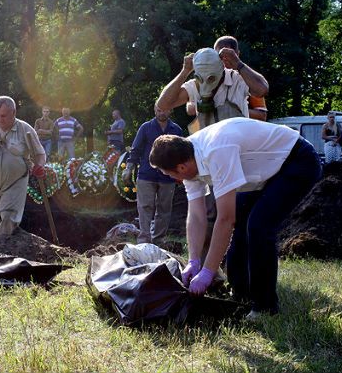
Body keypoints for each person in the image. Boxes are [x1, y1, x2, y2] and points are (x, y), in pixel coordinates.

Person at [149, 118, 322, 320]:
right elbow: (196, 216)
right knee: (242, 223)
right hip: (263, 173)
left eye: (168, 174)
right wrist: (194, 260)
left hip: (297, 161)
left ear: (181, 168)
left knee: (259, 226)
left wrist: (207, 272)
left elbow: (225, 219)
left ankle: (265, 307)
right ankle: (240, 294)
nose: (171, 179)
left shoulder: (216, 151)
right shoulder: (187, 158)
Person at [0, 96, 46, 238]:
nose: (0, 120)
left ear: (14, 113)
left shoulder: (25, 129)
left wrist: (40, 166)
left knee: (8, 215)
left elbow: (40, 154)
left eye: (4, 116)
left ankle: (5, 242)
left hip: (15, 180)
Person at [155, 46, 269, 131]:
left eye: (211, 79)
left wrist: (238, 64)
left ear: (222, 65)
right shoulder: (195, 85)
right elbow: (163, 105)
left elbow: (262, 90)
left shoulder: (239, 79)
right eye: (200, 78)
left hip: (238, 146)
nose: (204, 85)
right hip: (209, 149)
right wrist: (185, 71)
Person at [122, 106, 183, 244]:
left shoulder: (176, 130)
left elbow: (181, 154)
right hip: (146, 174)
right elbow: (136, 149)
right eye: (159, 110)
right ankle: (144, 240)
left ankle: (158, 241)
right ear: (155, 110)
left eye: (165, 110)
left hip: (168, 176)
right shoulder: (146, 128)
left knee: (164, 209)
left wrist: (180, 174)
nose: (162, 112)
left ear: (170, 110)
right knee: (145, 207)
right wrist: (129, 168)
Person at [213, 36, 269, 121]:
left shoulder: (246, 77)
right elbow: (190, 108)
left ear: (237, 54)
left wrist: (234, 110)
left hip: (241, 129)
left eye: (229, 55)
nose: (224, 59)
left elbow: (262, 115)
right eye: (219, 55)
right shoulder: (209, 77)